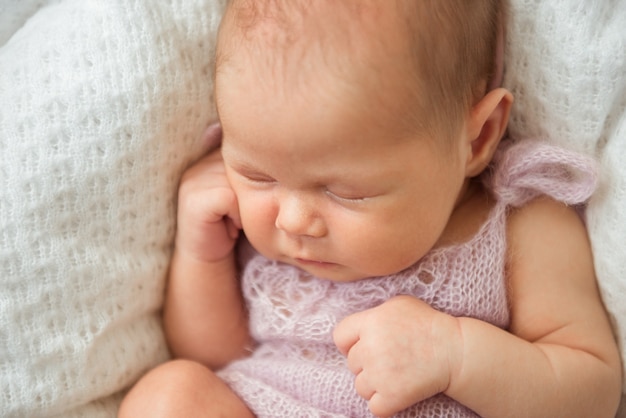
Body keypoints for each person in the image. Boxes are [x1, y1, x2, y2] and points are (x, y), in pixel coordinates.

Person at [120, 1, 622, 417]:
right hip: (270, 402)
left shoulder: (522, 225)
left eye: (345, 191)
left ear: (477, 139)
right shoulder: (253, 225)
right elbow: (213, 357)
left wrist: (457, 355)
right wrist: (201, 255)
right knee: (170, 395)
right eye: (258, 175)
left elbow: (593, 392)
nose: (292, 220)